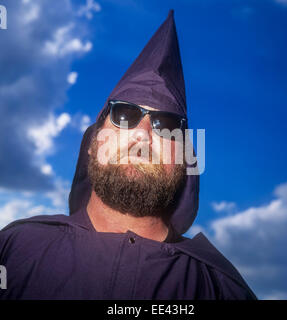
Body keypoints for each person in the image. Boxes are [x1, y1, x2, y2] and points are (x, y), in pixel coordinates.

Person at [0, 10, 257, 300]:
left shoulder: (220, 289)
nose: (143, 134)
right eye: (124, 115)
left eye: (166, 125)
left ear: (185, 158)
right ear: (92, 142)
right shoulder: (13, 250)